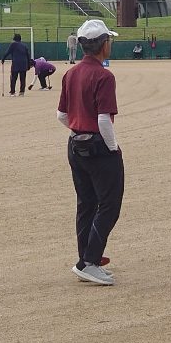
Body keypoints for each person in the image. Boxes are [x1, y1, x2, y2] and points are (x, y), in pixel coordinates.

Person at [57, 19, 123, 286]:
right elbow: (104, 120)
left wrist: (77, 131)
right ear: (103, 45)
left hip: (75, 145)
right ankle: (89, 261)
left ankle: (86, 258)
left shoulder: (70, 73)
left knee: (86, 204)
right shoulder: (104, 76)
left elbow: (61, 115)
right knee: (109, 205)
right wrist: (112, 148)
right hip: (97, 147)